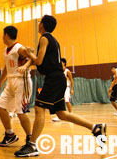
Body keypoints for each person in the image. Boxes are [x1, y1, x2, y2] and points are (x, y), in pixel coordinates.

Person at [14, 15, 106, 157]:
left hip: (54, 78)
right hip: (57, 78)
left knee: (39, 108)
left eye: (39, 23)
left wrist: (30, 53)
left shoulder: (44, 38)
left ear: (43, 24)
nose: (38, 25)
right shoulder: (53, 40)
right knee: (62, 114)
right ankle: (95, 128)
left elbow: (38, 61)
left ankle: (32, 145)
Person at [0, 26, 33, 147]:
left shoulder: (19, 48)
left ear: (6, 35)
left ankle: (30, 139)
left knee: (20, 111)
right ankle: (10, 135)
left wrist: (25, 66)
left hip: (22, 81)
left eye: (3, 35)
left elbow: (33, 58)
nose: (2, 37)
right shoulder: (6, 50)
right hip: (11, 81)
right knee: (0, 106)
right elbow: (6, 68)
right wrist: (0, 81)